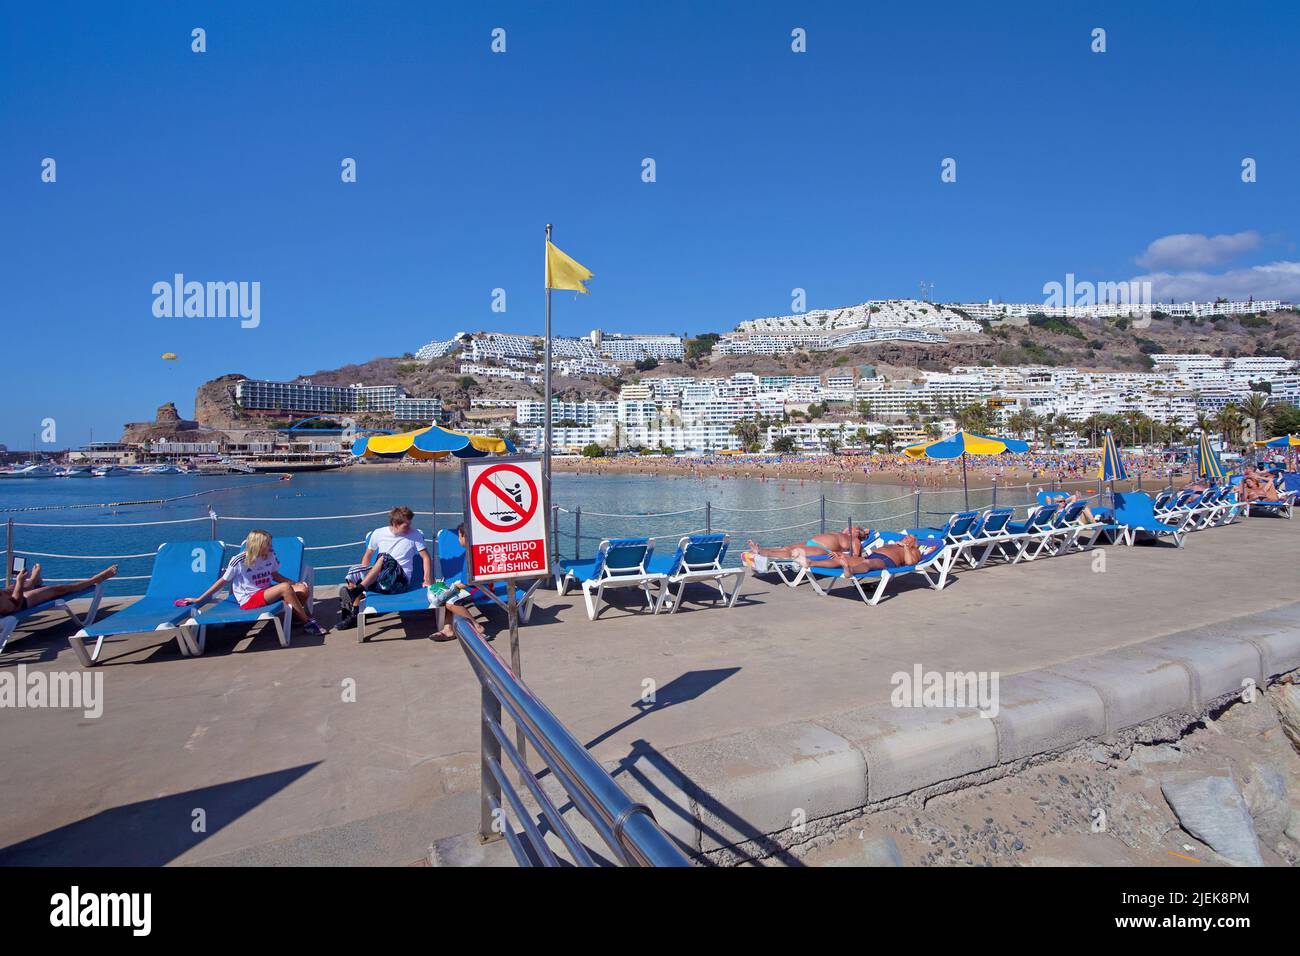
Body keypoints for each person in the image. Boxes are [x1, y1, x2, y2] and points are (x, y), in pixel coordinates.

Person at [182, 529, 324, 636]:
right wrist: (200, 599)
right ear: (258, 544)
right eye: (267, 543)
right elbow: (222, 581)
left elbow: (274, 575)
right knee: (285, 588)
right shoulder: (239, 560)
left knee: (302, 589)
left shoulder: (270, 555)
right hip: (249, 599)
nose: (270, 545)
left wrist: (295, 583)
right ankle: (307, 623)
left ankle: (295, 619)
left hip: (267, 592)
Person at [336, 505, 432, 629]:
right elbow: (368, 554)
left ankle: (357, 591)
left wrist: (427, 579)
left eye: (410, 524)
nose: (409, 527)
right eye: (406, 525)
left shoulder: (415, 534)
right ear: (395, 523)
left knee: (384, 557)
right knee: (353, 571)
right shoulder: (379, 533)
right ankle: (354, 614)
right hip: (382, 581)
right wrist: (363, 574)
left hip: (400, 583)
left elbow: (426, 557)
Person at [0, 562, 119, 616]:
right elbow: (16, 605)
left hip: (7, 595)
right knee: (59, 589)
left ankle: (33, 580)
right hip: (22, 602)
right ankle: (94, 580)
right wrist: (20, 582)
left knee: (12, 588)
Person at [796, 534, 933, 574]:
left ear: (915, 543)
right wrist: (842, 553)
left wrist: (906, 548)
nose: (906, 538)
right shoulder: (893, 544)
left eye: (910, 538)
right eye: (905, 537)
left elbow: (910, 563)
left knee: (869, 563)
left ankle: (850, 570)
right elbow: (867, 552)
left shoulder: (914, 550)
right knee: (842, 558)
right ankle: (811, 562)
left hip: (886, 561)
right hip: (870, 556)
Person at [746, 526, 874, 561]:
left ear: (857, 532)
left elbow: (856, 556)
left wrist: (841, 555)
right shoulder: (843, 535)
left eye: (853, 528)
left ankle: (761, 552)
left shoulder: (855, 540)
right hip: (812, 542)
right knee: (787, 547)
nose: (849, 528)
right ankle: (762, 549)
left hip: (824, 550)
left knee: (793, 553)